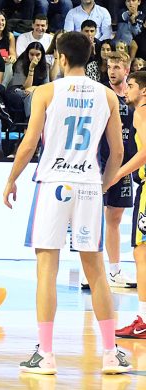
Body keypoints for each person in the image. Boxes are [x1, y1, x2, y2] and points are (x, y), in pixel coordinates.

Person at [3, 31, 131, 375]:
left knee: (47, 269)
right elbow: (117, 152)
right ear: (91, 58)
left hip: (53, 183)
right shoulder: (107, 95)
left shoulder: (46, 92)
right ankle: (109, 353)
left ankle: (45, 354)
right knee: (97, 272)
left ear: (59, 57)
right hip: (88, 183)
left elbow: (30, 142)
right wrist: (103, 185)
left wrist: (11, 178)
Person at [81, 52, 137, 290]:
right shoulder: (101, 94)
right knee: (92, 216)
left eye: (117, 67)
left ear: (127, 70)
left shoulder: (134, 96)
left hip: (124, 162)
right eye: (109, 67)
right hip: (99, 161)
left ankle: (114, 271)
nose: (112, 71)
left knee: (114, 217)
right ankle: (89, 272)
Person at [112, 71, 146, 338]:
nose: (127, 89)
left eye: (131, 85)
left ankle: (143, 320)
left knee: (141, 253)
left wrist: (120, 172)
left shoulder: (141, 111)